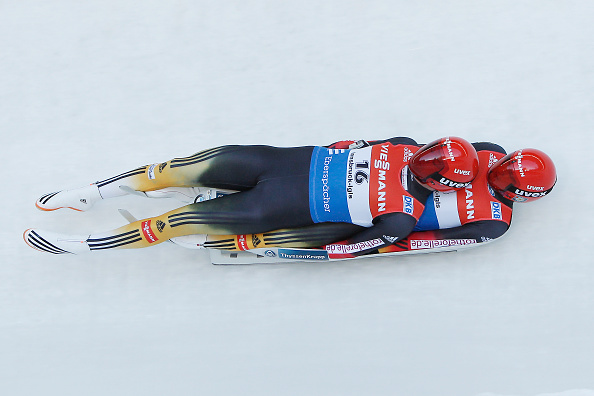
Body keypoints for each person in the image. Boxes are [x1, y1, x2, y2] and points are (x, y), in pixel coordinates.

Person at [24, 137, 479, 256]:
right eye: (430, 153)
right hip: (277, 163)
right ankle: (90, 194)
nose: (423, 159)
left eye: (433, 165)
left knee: (172, 223)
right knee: (174, 168)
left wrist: (269, 244)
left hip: (271, 207)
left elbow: (343, 243)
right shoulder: (402, 146)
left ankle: (85, 246)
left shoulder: (402, 217)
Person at [172, 141, 557, 257]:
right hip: (372, 183)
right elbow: (414, 151)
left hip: (377, 218)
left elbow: (423, 243)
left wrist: (369, 243)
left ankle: (241, 238)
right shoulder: (485, 152)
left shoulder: (494, 222)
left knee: (325, 228)